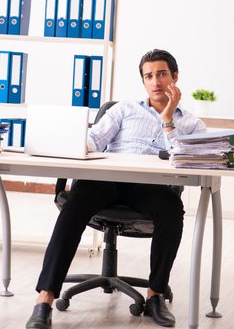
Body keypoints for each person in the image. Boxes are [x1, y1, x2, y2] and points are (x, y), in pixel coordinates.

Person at [26, 49, 206, 329]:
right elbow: (94, 140)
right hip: (106, 181)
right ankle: (45, 298)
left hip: (149, 188)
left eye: (161, 74)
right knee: (75, 204)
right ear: (143, 81)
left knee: (172, 209)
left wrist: (168, 118)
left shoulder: (191, 123)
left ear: (175, 77)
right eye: (149, 76)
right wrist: (63, 140)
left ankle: (155, 294)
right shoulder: (124, 109)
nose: (155, 81)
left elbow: (183, 158)